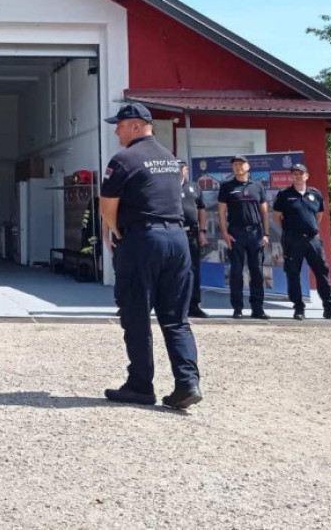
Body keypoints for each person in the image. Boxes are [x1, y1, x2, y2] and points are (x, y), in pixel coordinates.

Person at [99, 103, 202, 410]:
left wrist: (118, 234)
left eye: (119, 124)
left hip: (144, 240)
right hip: (177, 241)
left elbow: (107, 208)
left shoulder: (123, 160)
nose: (116, 130)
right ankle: (187, 383)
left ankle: (140, 386)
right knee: (176, 318)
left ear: (135, 125)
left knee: (136, 314)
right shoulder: (170, 159)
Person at [273, 163, 331, 321]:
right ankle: (298, 308)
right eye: (295, 174)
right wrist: (288, 231)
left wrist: (311, 229)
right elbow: (276, 217)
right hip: (292, 239)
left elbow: (319, 215)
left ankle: (329, 308)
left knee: (322, 272)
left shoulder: (315, 194)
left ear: (307, 176)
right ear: (292, 176)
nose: (298, 176)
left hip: (313, 240)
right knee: (293, 273)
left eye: (301, 173)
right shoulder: (284, 195)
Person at [217, 155, 270, 319]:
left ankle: (258, 309)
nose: (238, 167)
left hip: (255, 233)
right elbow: (221, 212)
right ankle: (237, 308)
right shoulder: (226, 187)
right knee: (236, 272)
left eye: (241, 164)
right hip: (235, 233)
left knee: (257, 272)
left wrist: (266, 234)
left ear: (248, 167)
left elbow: (265, 213)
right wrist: (225, 233)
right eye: (235, 165)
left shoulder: (258, 186)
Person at [179, 160, 210, 319]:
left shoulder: (194, 187)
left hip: (191, 234)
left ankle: (194, 305)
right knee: (172, 270)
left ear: (186, 169)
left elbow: (202, 209)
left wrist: (202, 231)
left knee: (193, 271)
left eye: (181, 168)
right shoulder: (167, 187)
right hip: (174, 233)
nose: (178, 171)